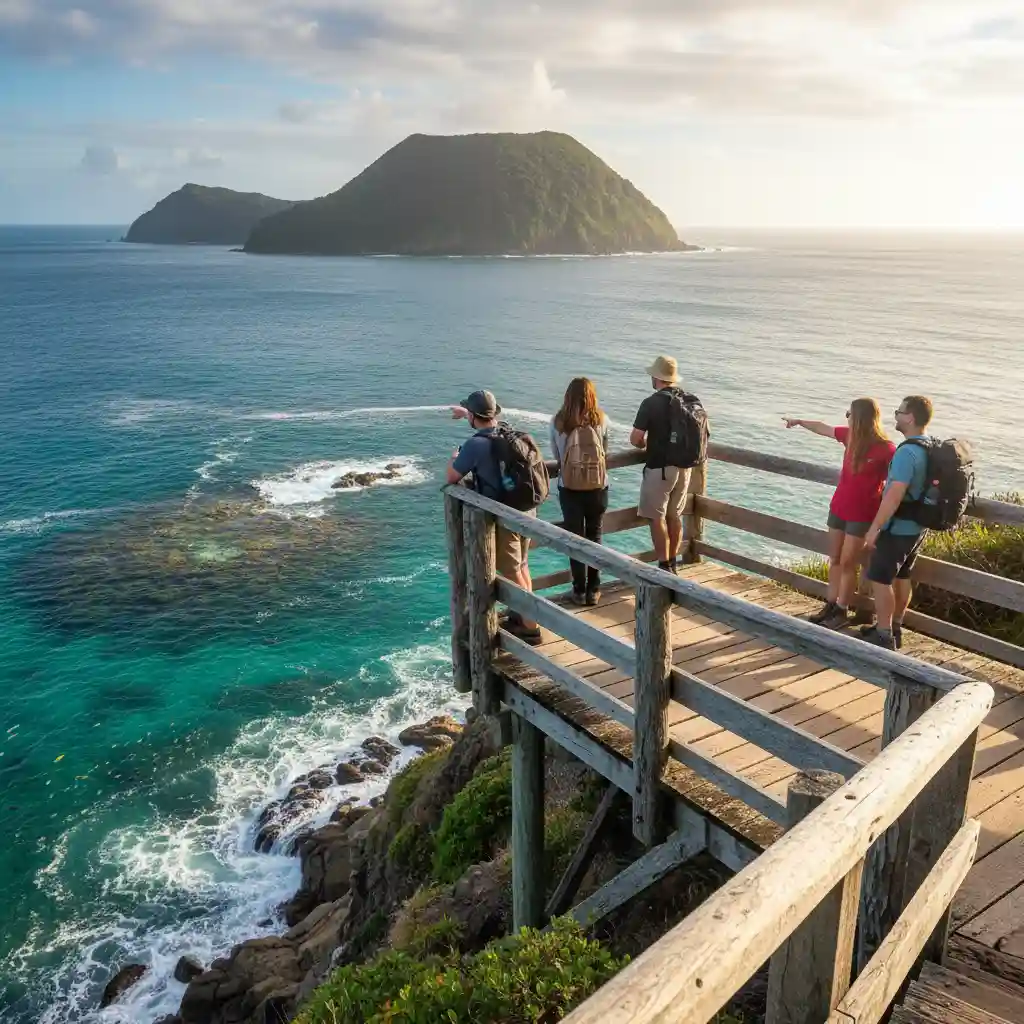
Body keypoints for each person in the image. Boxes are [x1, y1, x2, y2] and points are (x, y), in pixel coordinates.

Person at [783, 399, 895, 629]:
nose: (847, 418)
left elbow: (896, 482)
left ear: (862, 418)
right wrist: (800, 421)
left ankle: (843, 609)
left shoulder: (886, 448)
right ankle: (831, 604)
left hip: (863, 514)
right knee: (834, 558)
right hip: (839, 507)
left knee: (848, 562)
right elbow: (823, 428)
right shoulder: (849, 436)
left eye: (849, 414)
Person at [446, 390, 542, 646]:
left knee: (511, 572)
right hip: (526, 512)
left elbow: (452, 477)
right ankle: (520, 616)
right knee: (522, 566)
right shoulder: (508, 432)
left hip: (504, 517)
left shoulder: (475, 445)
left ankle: (531, 629)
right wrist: (467, 412)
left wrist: (456, 457)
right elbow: (485, 421)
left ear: (474, 417)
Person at [859, 395, 936, 650]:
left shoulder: (907, 453)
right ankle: (895, 626)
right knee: (902, 576)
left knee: (880, 578)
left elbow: (893, 497)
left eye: (899, 412)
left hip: (899, 527)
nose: (896, 416)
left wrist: (874, 528)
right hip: (917, 526)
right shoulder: (929, 446)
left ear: (910, 417)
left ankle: (883, 635)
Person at [629, 355, 709, 574]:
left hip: (660, 469)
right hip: (686, 468)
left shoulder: (651, 403)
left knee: (656, 517)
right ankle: (673, 562)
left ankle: (664, 565)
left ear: (657, 377)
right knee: (674, 516)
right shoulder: (689, 399)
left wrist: (646, 444)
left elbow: (636, 438)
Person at [550, 377, 610, 606]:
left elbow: (557, 455)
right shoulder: (602, 420)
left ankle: (578, 589)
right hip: (597, 486)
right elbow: (604, 451)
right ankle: (594, 589)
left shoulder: (558, 422)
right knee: (595, 537)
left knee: (574, 539)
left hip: (570, 487)